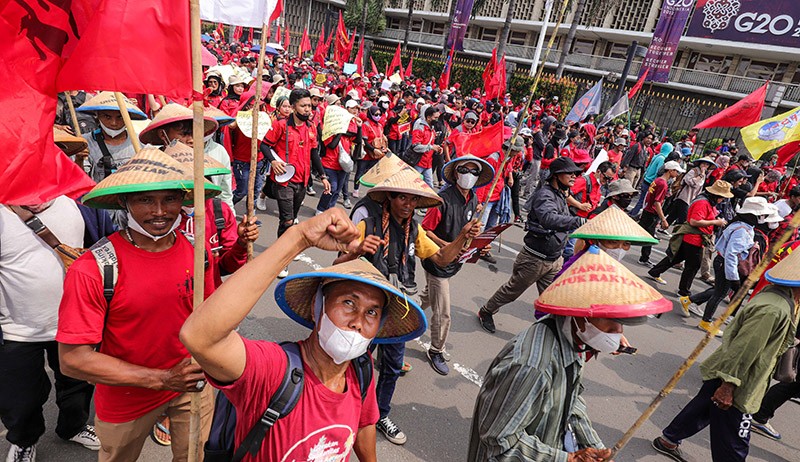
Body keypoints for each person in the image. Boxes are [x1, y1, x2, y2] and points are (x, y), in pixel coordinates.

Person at [180, 206, 427, 460]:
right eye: (348, 303)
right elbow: (200, 337)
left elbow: (364, 425)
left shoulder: (360, 371)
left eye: (372, 312)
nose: (358, 322)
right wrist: (299, 238)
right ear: (316, 306)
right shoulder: (274, 371)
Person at [56, 148, 221, 461]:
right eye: (145, 199)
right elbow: (72, 361)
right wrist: (161, 379)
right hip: (124, 400)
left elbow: (212, 318)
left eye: (169, 199)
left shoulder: (198, 253)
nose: (160, 211)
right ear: (124, 202)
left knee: (194, 457)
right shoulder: (94, 268)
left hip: (192, 385)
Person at [470, 246, 671, 461]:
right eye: (610, 321)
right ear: (579, 313)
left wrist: (594, 446)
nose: (618, 332)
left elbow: (571, 399)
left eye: (621, 324)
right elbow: (498, 441)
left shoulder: (573, 340)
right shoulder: (533, 366)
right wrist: (568, 459)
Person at [335, 167, 480, 445]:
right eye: (402, 198)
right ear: (389, 197)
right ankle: (347, 410)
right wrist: (356, 251)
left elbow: (440, 258)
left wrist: (462, 237)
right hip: (369, 308)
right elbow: (338, 266)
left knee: (391, 367)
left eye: (413, 200)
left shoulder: (414, 228)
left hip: (401, 307)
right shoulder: (369, 223)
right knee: (356, 361)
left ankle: (380, 416)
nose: (408, 205)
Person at [652, 249, 800, 462]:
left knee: (705, 406)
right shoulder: (772, 310)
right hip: (739, 377)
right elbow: (744, 349)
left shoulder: (789, 301)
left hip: (734, 370)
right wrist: (729, 385)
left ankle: (669, 439)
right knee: (735, 442)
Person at [1, 197, 100, 462]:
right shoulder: (2, 214)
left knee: (77, 385)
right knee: (18, 397)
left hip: (73, 323)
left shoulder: (77, 206)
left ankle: (74, 427)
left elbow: (99, 250)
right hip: (15, 330)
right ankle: (24, 440)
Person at [478, 157, 586, 334]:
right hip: (534, 260)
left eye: (576, 173)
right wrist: (578, 221)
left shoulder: (560, 194)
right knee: (511, 291)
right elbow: (548, 218)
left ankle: (551, 333)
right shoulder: (545, 195)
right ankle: (486, 311)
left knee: (552, 298)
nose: (574, 176)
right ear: (557, 175)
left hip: (554, 259)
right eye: (570, 173)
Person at [420, 155, 494, 375]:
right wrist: (448, 246)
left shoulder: (472, 198)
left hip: (455, 261)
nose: (468, 175)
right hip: (437, 261)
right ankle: (436, 349)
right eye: (464, 169)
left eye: (474, 172)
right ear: (455, 173)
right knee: (443, 312)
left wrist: (478, 243)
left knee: (426, 297)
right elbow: (425, 231)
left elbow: (467, 230)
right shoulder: (441, 200)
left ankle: (403, 312)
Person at [678, 197, 775, 335]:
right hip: (726, 263)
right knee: (719, 294)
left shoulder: (743, 226)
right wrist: (734, 277)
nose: (764, 218)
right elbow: (731, 254)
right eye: (762, 215)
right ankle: (706, 321)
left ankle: (689, 301)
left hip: (724, 262)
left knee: (719, 291)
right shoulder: (742, 229)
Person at [263, 88, 330, 278]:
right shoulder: (280, 125)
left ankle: (284, 249)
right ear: (293, 107)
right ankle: (282, 260)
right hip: (284, 181)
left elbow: (314, 154)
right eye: (304, 105)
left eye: (309, 105)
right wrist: (273, 161)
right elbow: (264, 145)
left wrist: (323, 176)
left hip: (303, 180)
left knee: (291, 218)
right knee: (287, 220)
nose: (308, 109)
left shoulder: (311, 128)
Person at [647, 181, 733, 296]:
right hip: (694, 238)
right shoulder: (703, 203)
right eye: (722, 198)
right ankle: (683, 291)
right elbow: (694, 221)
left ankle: (655, 271)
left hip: (692, 237)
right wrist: (716, 222)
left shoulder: (707, 202)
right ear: (717, 196)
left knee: (676, 257)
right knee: (692, 266)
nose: (723, 200)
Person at [76, 92, 148, 182]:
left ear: (128, 117)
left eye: (120, 117)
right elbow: (79, 181)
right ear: (98, 116)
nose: (114, 123)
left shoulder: (140, 143)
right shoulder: (84, 143)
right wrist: (79, 160)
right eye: (107, 117)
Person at [316, 99, 362, 213]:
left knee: (337, 190)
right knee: (332, 187)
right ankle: (321, 209)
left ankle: (329, 209)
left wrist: (359, 128)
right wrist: (340, 131)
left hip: (342, 165)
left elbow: (357, 139)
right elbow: (331, 146)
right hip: (329, 164)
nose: (356, 111)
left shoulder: (349, 129)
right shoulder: (330, 130)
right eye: (353, 108)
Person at [639, 161, 685, 266]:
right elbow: (657, 202)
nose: (677, 174)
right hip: (651, 212)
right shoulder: (663, 184)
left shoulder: (658, 180)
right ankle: (644, 258)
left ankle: (644, 257)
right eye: (676, 171)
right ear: (670, 170)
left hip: (648, 210)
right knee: (649, 237)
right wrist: (663, 219)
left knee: (645, 233)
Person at [666, 157, 716, 226]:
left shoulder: (704, 175)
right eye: (703, 164)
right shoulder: (694, 171)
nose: (705, 166)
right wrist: (700, 176)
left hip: (692, 198)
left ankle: (663, 227)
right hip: (685, 196)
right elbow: (689, 181)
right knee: (684, 218)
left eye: (707, 165)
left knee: (674, 214)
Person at [630, 142, 674, 217]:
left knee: (641, 200)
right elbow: (659, 172)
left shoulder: (657, 156)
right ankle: (633, 215)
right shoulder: (662, 159)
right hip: (650, 182)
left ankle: (633, 212)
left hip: (646, 179)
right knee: (644, 201)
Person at [410, 106, 443, 189]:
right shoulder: (420, 127)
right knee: (413, 186)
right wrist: (431, 147)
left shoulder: (431, 127)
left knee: (429, 187)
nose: (437, 120)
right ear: (428, 117)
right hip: (418, 162)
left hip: (428, 163)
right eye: (435, 118)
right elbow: (415, 146)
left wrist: (437, 148)